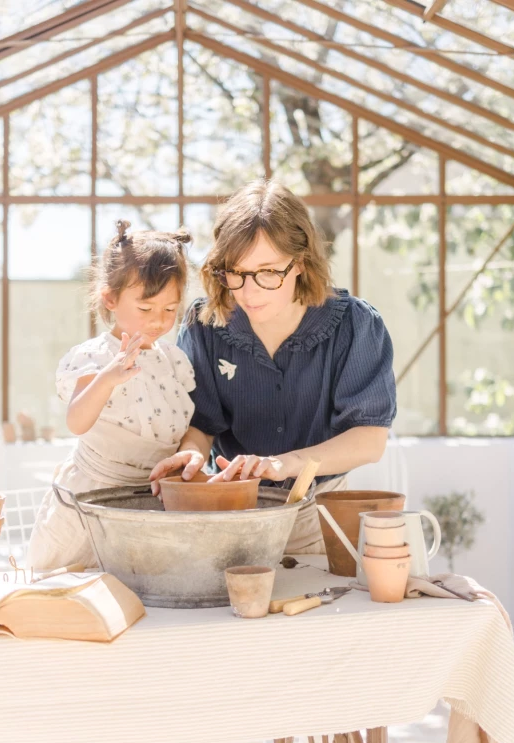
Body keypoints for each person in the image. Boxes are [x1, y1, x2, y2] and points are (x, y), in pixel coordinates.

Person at [150, 179, 396, 554]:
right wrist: (192, 454)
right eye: (235, 272)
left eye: (267, 272)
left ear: (299, 263)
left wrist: (282, 465)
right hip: (233, 512)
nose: (249, 292)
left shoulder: (356, 326)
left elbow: (369, 440)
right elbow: (202, 424)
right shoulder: (204, 325)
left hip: (322, 515)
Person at [26, 220, 195, 570]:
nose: (159, 321)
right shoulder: (95, 356)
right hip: (92, 496)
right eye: (146, 309)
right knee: (64, 589)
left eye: (169, 310)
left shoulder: (173, 360)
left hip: (149, 501)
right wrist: (108, 378)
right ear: (110, 299)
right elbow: (76, 422)